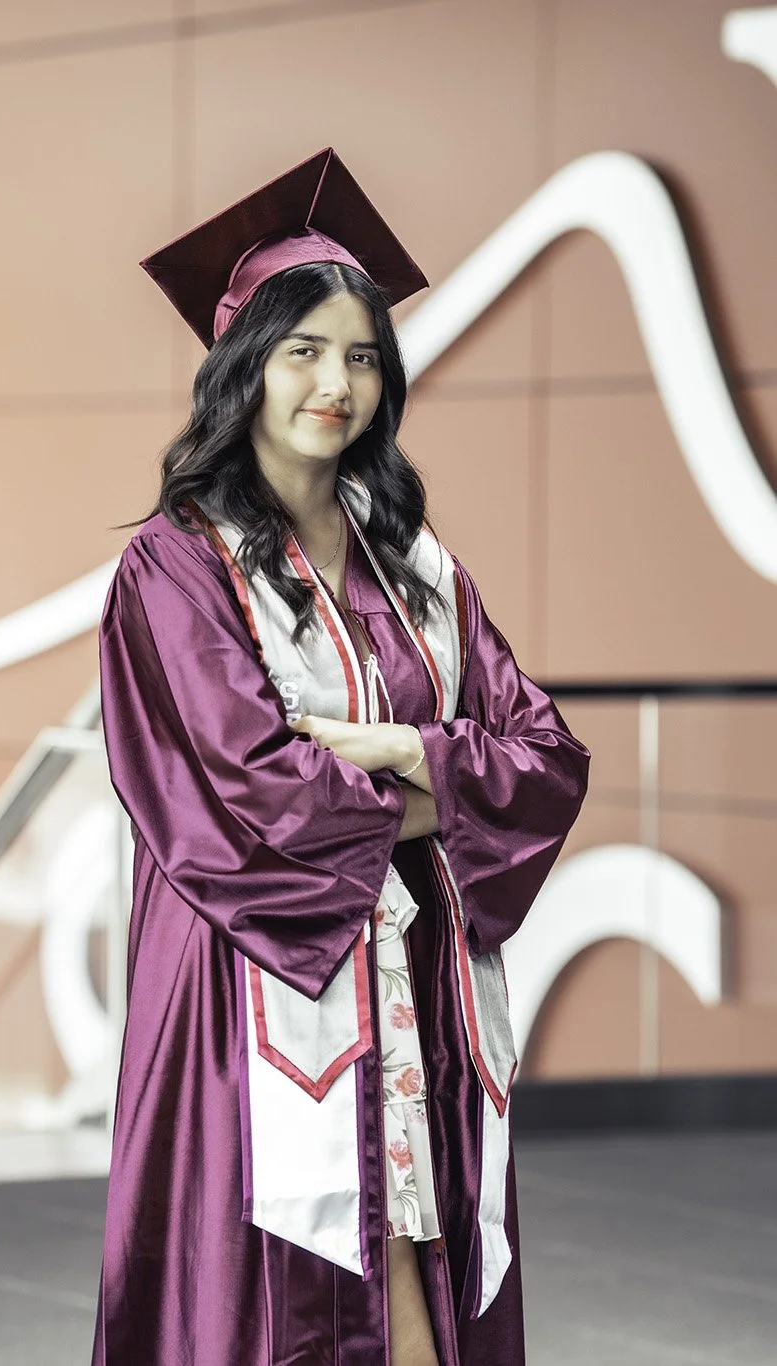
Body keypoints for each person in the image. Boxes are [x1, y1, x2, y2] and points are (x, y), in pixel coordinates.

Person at [91, 148, 590, 1366]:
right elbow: (242, 794)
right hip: (254, 984)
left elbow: (545, 755)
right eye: (303, 349)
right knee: (291, 1287)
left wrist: (403, 748)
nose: (335, 382)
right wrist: (440, 783)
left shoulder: (414, 561)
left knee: (417, 1261)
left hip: (413, 970)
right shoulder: (174, 566)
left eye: (361, 355)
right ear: (244, 364)